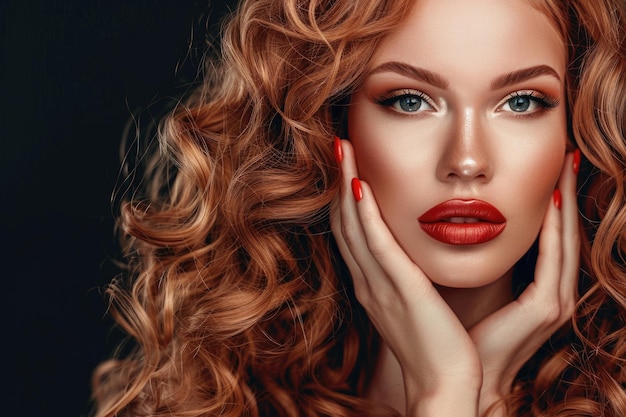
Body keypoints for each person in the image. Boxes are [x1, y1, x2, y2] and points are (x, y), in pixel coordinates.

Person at [90, 0, 626, 415]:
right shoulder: (210, 402)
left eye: (521, 102)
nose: (467, 161)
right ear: (331, 124)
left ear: (577, 129)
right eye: (410, 100)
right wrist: (447, 392)